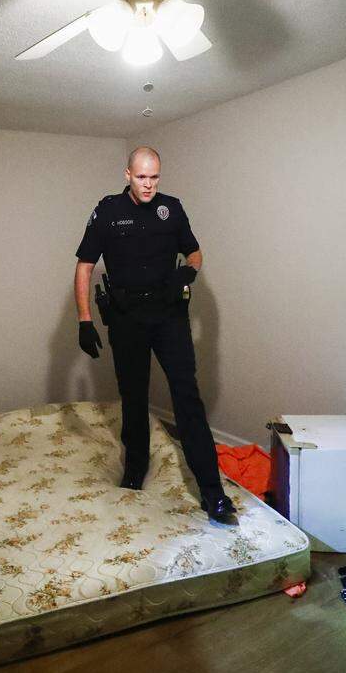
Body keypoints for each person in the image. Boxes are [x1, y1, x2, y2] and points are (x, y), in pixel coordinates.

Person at [73, 146, 237, 525]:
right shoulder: (108, 211)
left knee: (187, 398)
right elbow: (84, 267)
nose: (148, 184)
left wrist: (188, 272)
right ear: (127, 174)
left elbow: (195, 253)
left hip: (169, 316)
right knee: (133, 396)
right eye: (141, 176)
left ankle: (213, 493)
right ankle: (135, 470)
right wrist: (84, 320)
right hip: (127, 318)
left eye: (155, 177)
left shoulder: (172, 208)